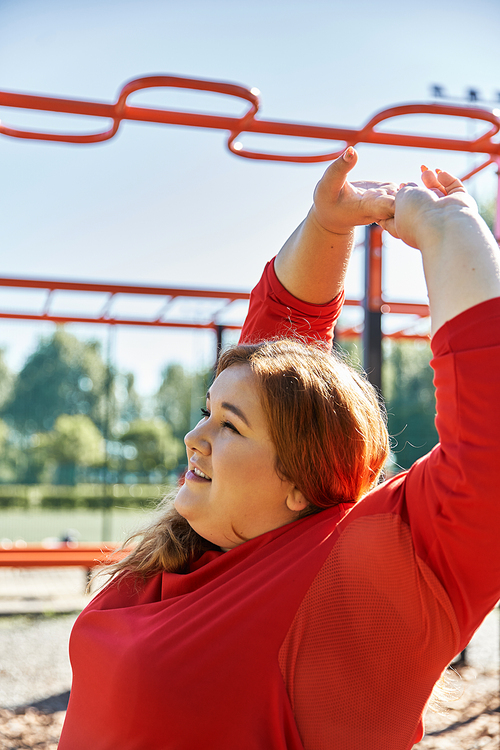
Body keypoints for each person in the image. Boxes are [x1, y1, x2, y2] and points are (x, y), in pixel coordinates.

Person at [58, 150, 500, 750]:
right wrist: (327, 225)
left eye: (229, 427)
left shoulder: (343, 587)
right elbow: (274, 355)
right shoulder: (205, 546)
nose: (195, 437)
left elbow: (488, 463)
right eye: (206, 413)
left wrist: (453, 231)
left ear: (300, 481)